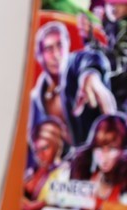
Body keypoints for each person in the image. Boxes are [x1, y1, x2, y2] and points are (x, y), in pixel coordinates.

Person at [29, 20, 116, 151]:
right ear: (39, 55)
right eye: (49, 49)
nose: (56, 55)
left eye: (60, 45)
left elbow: (91, 59)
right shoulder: (38, 97)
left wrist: (90, 75)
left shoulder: (76, 63)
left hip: (105, 150)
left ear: (67, 45)